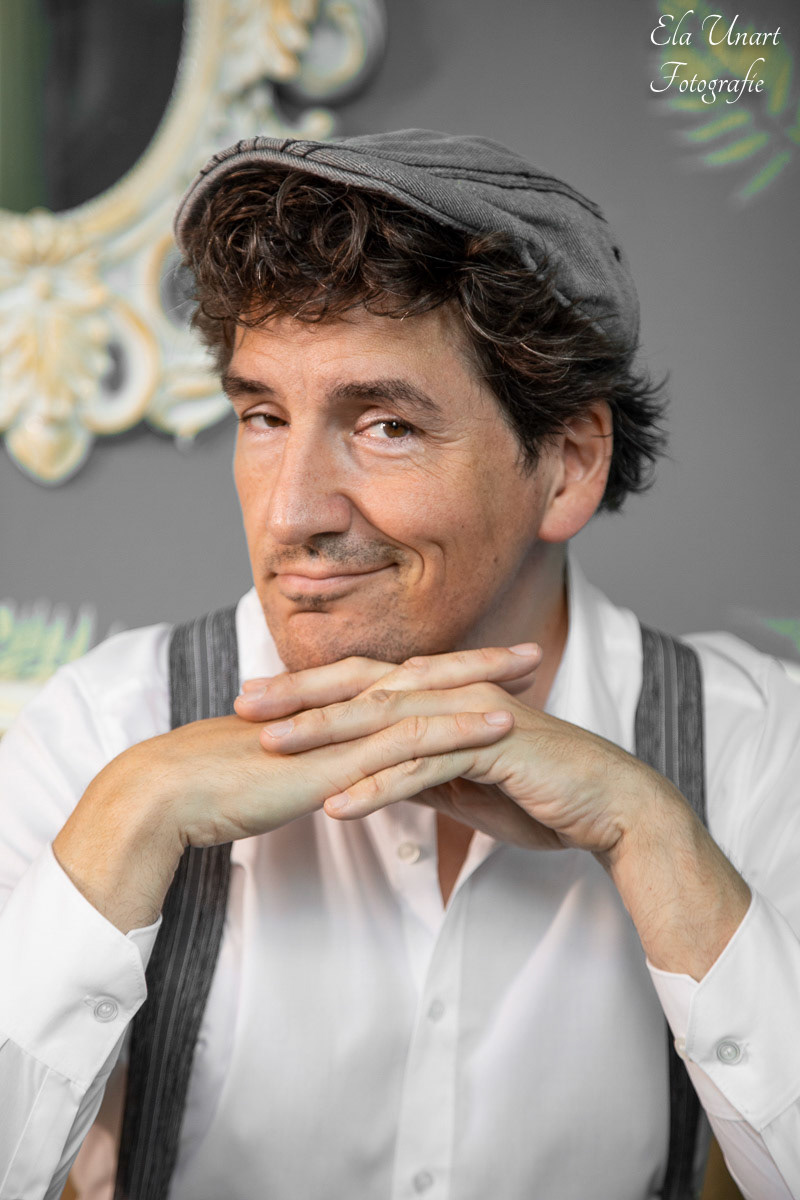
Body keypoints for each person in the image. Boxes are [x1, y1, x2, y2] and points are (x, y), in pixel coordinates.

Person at [0, 130, 798, 1200]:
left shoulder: (756, 743)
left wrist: (654, 836)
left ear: (567, 464)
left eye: (384, 426)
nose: (290, 512)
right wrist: (129, 820)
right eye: (263, 416)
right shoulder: (102, 729)